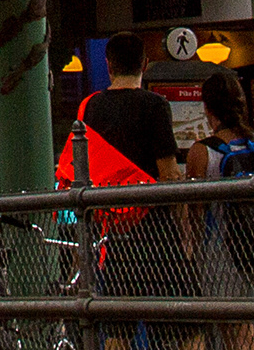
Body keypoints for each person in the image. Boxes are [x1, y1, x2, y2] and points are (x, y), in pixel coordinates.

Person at [74, 32, 188, 350]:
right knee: (178, 326)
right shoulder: (155, 105)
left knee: (117, 327)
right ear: (145, 64)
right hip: (156, 229)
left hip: (112, 231)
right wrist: (184, 227)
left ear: (108, 65)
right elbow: (168, 172)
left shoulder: (91, 108)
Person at [191, 72, 254, 350]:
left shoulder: (203, 152)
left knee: (236, 331)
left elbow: (195, 211)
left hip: (221, 251)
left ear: (208, 108)